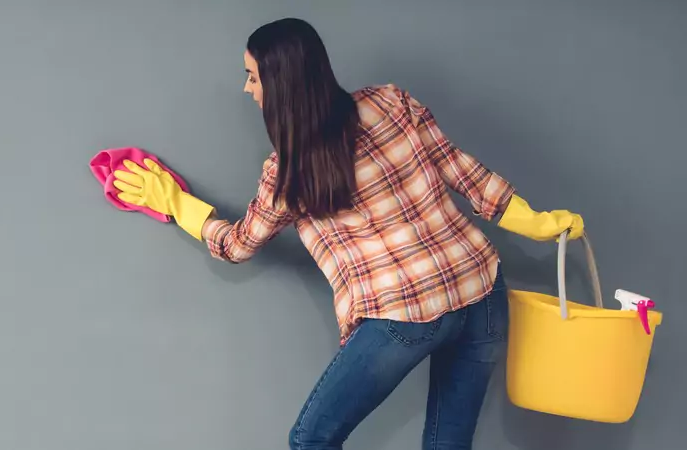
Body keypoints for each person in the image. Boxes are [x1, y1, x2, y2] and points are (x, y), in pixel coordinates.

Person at [110, 17, 584, 450]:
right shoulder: (392, 102)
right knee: (449, 444)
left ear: (281, 85)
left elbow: (236, 245)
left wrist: (173, 203)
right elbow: (468, 176)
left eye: (252, 77)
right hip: (481, 291)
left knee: (311, 439)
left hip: (404, 316)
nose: (247, 88)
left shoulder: (288, 174)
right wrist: (538, 223)